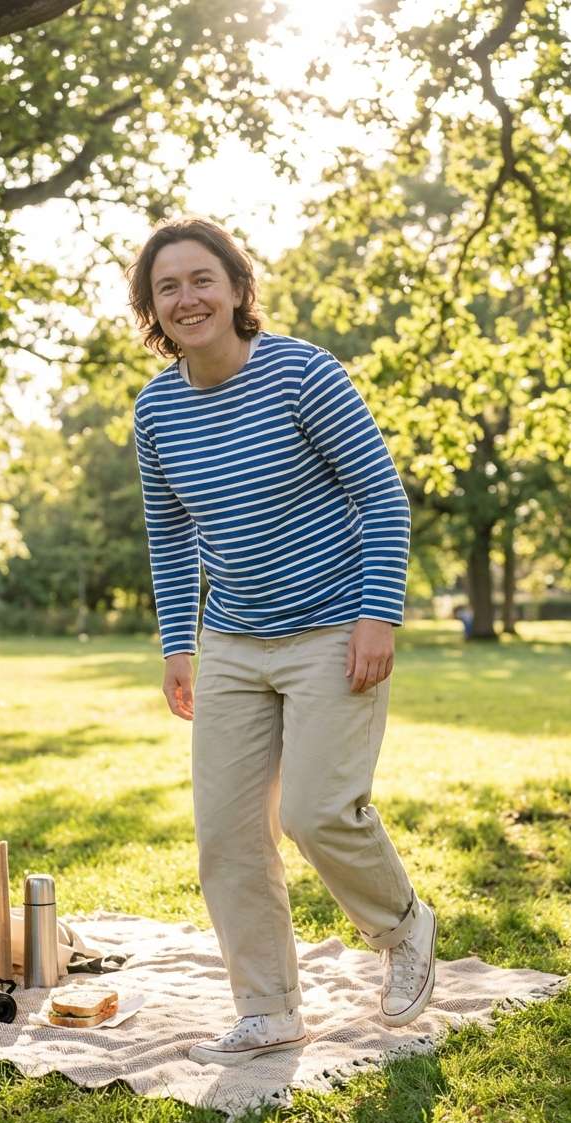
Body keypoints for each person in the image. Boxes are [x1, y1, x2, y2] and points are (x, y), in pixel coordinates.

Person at [129, 217, 436, 1067]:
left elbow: (382, 496)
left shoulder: (303, 373)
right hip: (230, 639)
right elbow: (168, 532)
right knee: (226, 834)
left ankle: (402, 926)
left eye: (201, 280)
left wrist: (380, 613)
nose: (187, 298)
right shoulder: (156, 408)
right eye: (168, 287)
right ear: (152, 308)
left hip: (335, 628)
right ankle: (267, 1008)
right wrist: (176, 645)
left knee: (315, 812)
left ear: (235, 288)